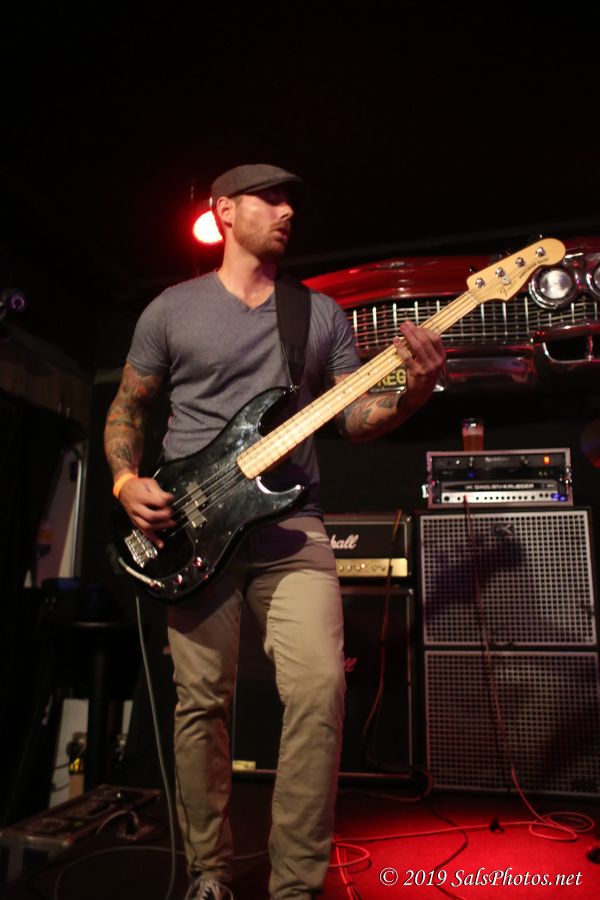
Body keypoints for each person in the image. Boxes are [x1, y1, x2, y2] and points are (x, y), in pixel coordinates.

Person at [104, 163, 445, 900]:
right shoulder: (171, 309)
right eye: (270, 199)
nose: (288, 211)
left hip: (292, 525)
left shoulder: (318, 314)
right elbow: (128, 408)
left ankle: (296, 885)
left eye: (293, 201)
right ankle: (209, 871)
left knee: (321, 689)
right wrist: (126, 482)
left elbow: (354, 417)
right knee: (201, 705)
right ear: (224, 211)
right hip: (192, 529)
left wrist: (413, 392)